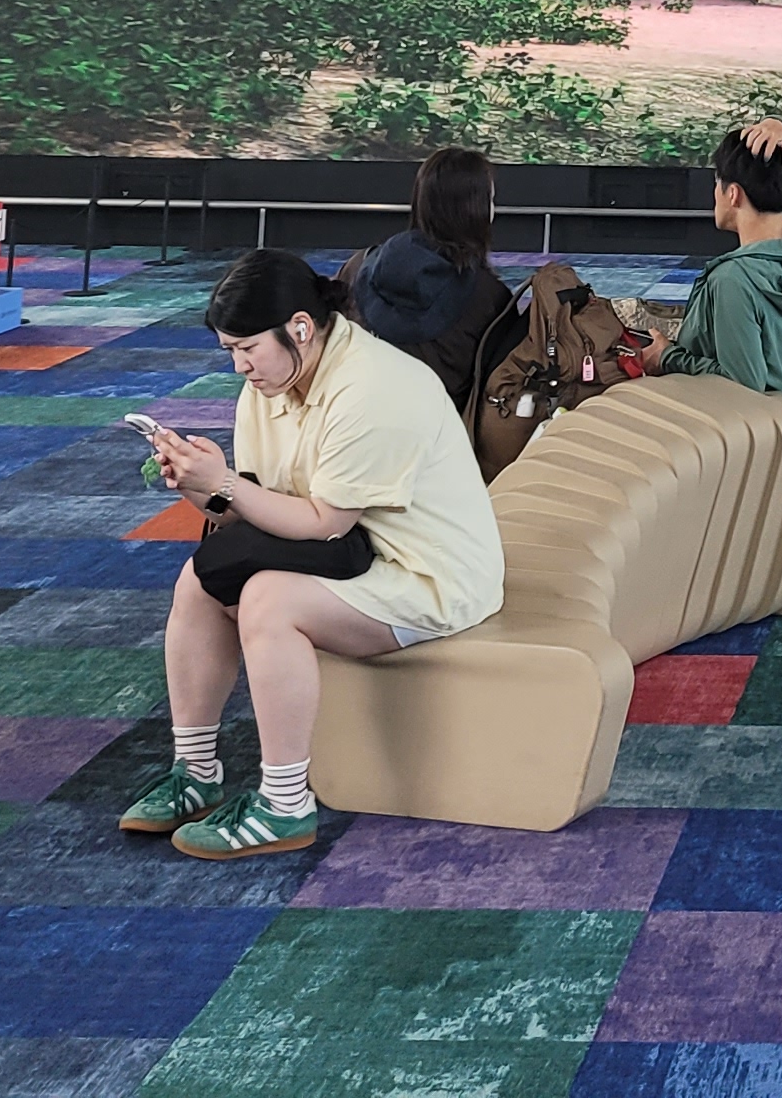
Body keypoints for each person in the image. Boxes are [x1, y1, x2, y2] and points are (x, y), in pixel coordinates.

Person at [121, 246, 504, 860]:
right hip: (350, 552)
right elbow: (260, 506)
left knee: (269, 600)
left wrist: (226, 484)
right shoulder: (271, 383)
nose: (240, 366)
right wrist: (202, 487)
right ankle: (195, 772)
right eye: (230, 351)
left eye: (248, 348)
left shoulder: (375, 387)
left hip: (427, 575)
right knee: (199, 581)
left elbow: (325, 521)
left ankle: (285, 805)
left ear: (300, 327)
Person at [635, 116, 782, 395]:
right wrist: (776, 126)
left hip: (726, 414)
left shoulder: (733, 280)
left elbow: (742, 384)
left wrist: (666, 357)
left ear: (733, 194)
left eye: (717, 182)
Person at [345, 145, 516, 411]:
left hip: (353, 418)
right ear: (477, 211)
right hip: (441, 429)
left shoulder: (357, 266)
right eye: (490, 201)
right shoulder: (492, 299)